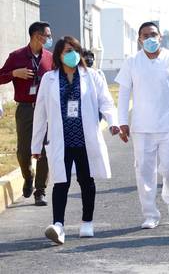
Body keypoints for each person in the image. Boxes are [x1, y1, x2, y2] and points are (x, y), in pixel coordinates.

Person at [31, 36, 119, 244]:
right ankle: (58, 225)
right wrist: (36, 145)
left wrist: (113, 122)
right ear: (59, 55)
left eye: (75, 50)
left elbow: (106, 101)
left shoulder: (92, 75)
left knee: (86, 181)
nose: (72, 54)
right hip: (61, 140)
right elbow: (41, 113)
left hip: (84, 139)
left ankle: (87, 221)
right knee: (61, 182)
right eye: (67, 51)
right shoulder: (49, 79)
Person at [115, 22, 169, 229]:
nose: (150, 38)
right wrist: (122, 122)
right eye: (145, 35)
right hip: (142, 127)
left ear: (161, 37)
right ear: (139, 39)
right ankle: (150, 213)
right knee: (144, 171)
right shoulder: (132, 62)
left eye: (153, 34)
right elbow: (123, 95)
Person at [0, 21, 53, 206]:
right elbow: (0, 76)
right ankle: (28, 176)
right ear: (37, 36)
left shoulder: (50, 58)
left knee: (45, 149)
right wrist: (14, 73)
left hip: (45, 109)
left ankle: (41, 190)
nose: (49, 38)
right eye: (47, 35)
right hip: (25, 109)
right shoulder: (16, 56)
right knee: (24, 151)